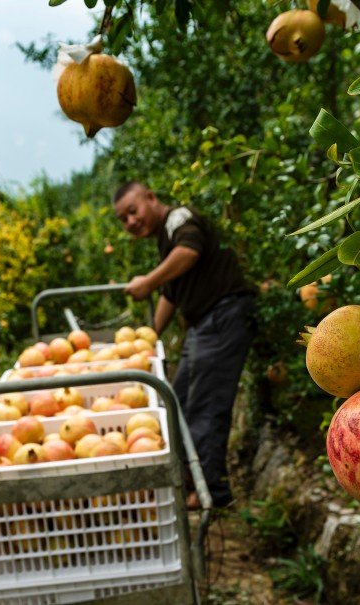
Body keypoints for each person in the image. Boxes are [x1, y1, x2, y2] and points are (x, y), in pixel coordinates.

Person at [113, 181, 256, 510]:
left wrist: (147, 280)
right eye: (123, 219)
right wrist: (148, 337)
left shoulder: (177, 219)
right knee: (177, 403)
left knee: (206, 407)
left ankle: (213, 497)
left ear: (151, 197)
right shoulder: (167, 240)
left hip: (222, 317)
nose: (130, 222)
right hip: (203, 325)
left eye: (133, 211)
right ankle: (192, 484)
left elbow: (188, 252)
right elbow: (171, 294)